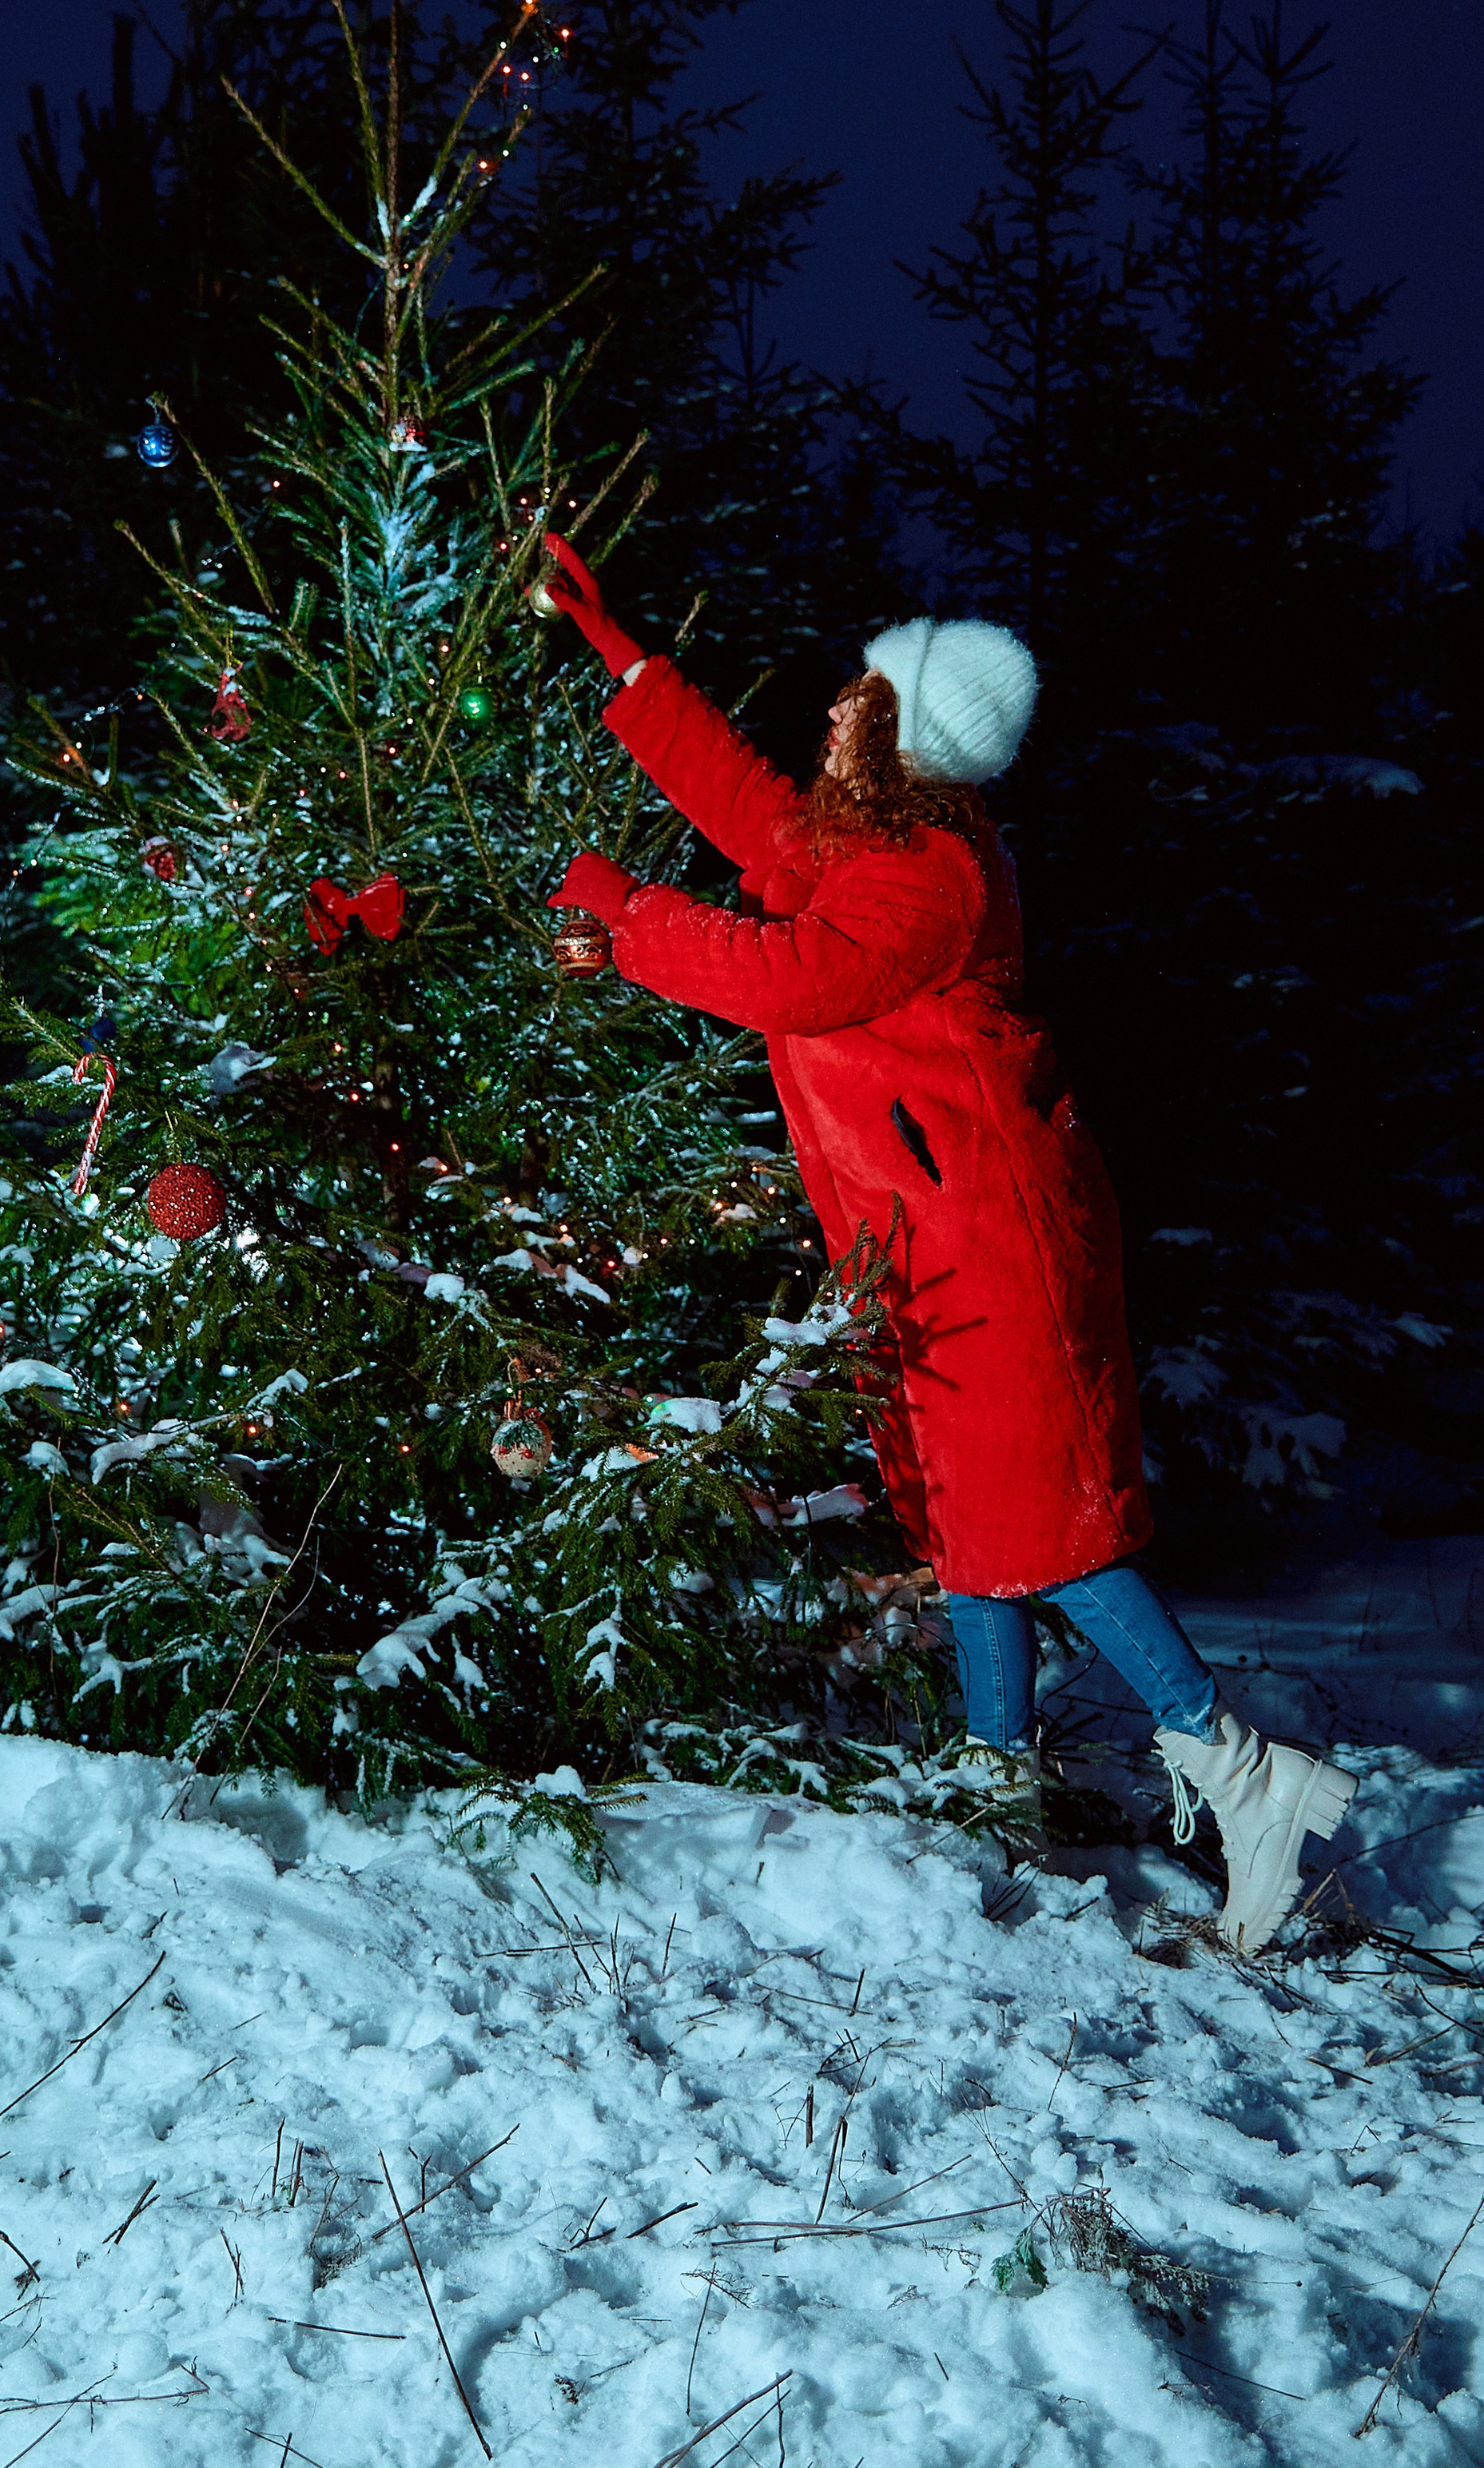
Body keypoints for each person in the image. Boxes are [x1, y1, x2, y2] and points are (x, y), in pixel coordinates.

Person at [539, 534, 1355, 1956]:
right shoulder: (879, 841)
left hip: (992, 1239)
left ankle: (1245, 1773)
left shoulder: (928, 883)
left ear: (907, 735)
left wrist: (631, 921)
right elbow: (752, 813)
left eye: (864, 693)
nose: (839, 704)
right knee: (977, 1526)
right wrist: (624, 658)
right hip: (935, 1231)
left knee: (1046, 1528)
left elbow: (791, 974)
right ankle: (993, 1794)